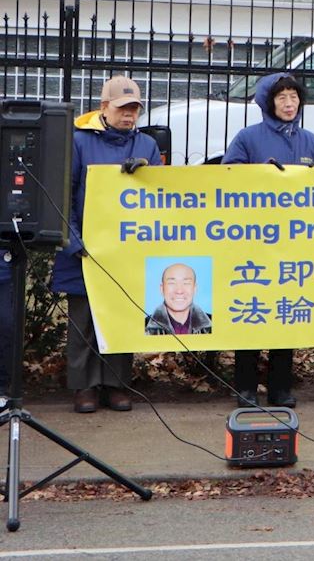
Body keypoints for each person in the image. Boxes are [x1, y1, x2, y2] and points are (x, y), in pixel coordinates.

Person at [51, 75, 162, 413]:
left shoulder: (147, 145)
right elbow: (63, 193)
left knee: (120, 317)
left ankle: (115, 384)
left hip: (125, 250)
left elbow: (161, 195)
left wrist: (146, 173)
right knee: (82, 319)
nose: (129, 116)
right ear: (104, 107)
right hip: (84, 248)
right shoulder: (79, 140)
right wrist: (73, 239)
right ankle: (84, 387)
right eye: (122, 109)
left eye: (134, 109)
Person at [223, 72, 314, 408]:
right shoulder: (247, 138)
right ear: (268, 102)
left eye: (294, 97)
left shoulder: (311, 141)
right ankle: (246, 387)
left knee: (285, 314)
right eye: (281, 97)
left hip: (294, 243)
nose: (289, 103)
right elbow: (227, 180)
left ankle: (281, 387)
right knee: (251, 313)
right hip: (253, 243)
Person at [144, 263, 213, 336]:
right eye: (171, 283)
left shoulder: (216, 324)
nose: (179, 291)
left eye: (186, 283)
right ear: (162, 289)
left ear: (195, 289)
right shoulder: (143, 327)